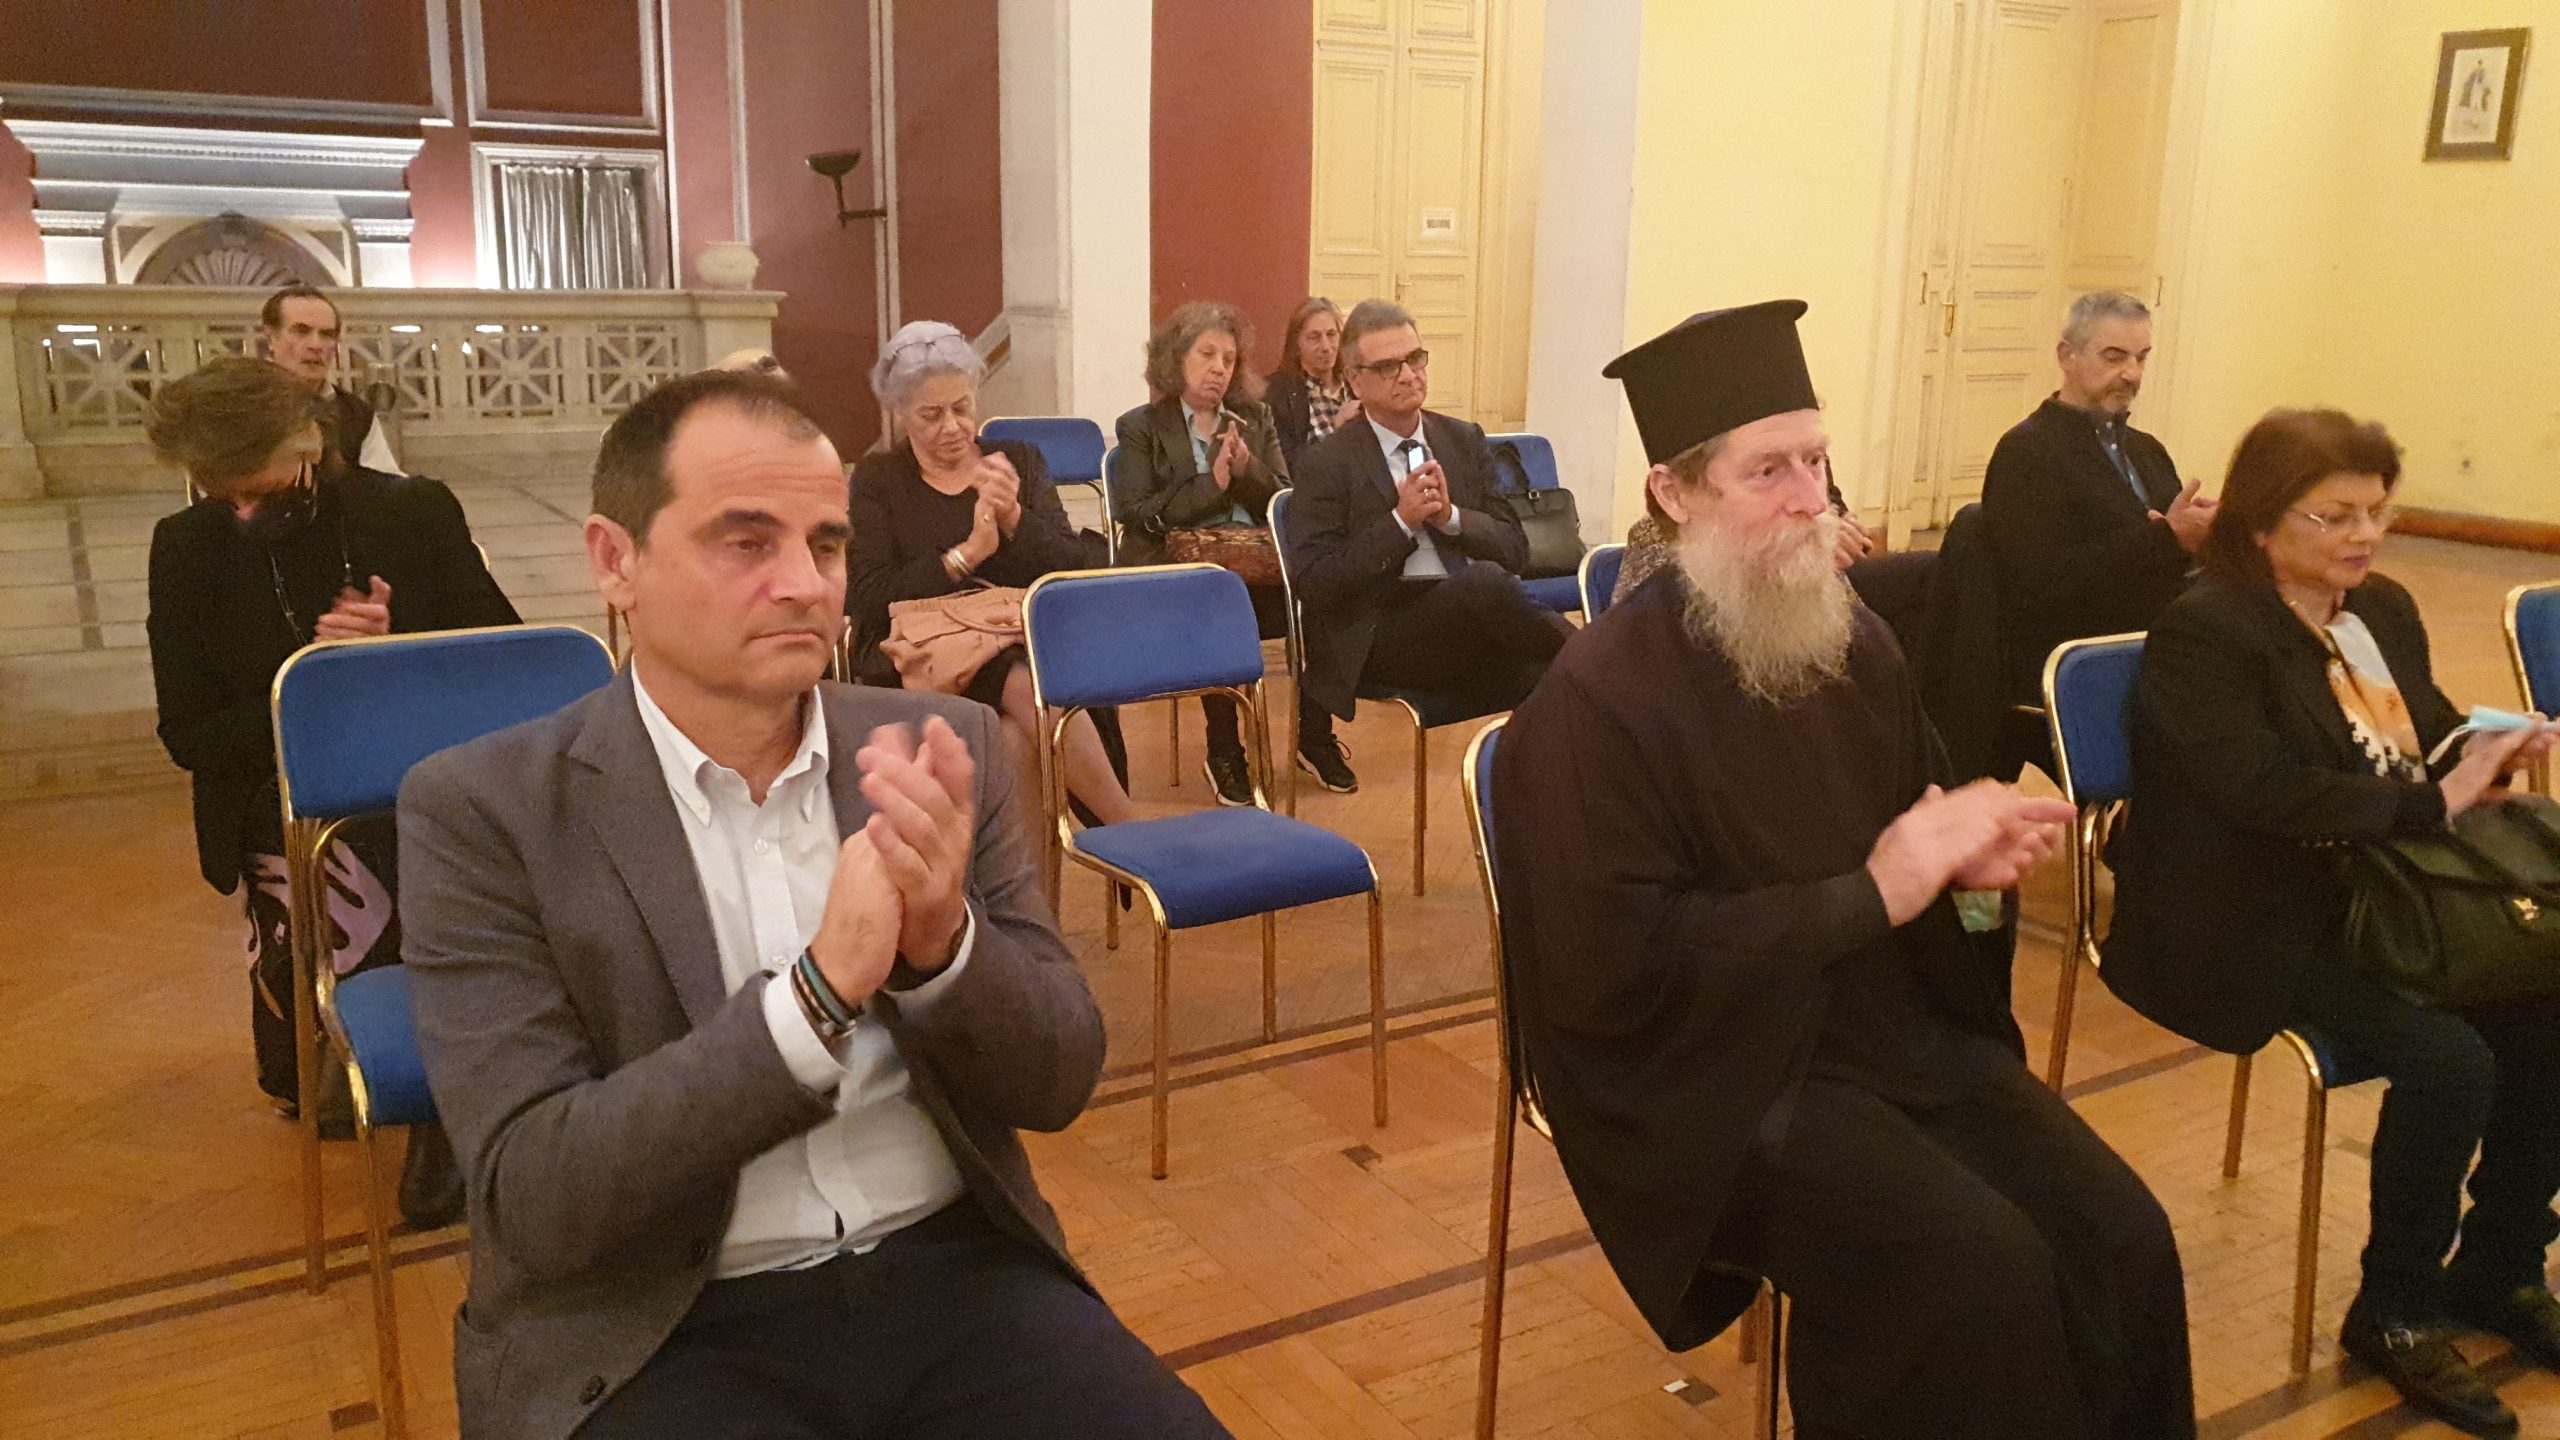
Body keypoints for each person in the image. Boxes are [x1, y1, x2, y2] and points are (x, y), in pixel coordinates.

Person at [398, 368, 1227, 1440]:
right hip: (662, 1323)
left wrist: (945, 948)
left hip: (954, 1274)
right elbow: (537, 1201)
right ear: (615, 562)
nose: (804, 585)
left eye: (826, 546)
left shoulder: (940, 748)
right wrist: (815, 1001)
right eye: (746, 542)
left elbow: (1059, 1077)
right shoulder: (486, 809)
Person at [1495, 300, 2193, 1440]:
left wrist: (1976, 888)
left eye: (1815, 462)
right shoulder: (1596, 704)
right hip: (1710, 1075)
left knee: (2123, 1236)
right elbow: (1608, 971)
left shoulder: (1855, 646)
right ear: (1675, 493)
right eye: (1766, 471)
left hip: (1890, 1031)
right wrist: (1871, 896)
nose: (1808, 499)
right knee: (1981, 1275)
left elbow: (1933, 884)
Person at [2103, 409, 2560, 1438]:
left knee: (2548, 991)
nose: (2364, 536)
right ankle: (2395, 1308)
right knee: (2451, 1061)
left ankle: (2500, 1266)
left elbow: (2422, 731)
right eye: (2335, 515)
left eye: (2376, 512)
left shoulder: (2378, 608)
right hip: (2244, 912)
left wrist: (2488, 747)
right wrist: (2430, 804)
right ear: (2262, 523)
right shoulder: (2207, 629)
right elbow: (2258, 790)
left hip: (2381, 887)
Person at [145, 355, 514, 1227]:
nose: (243, 512)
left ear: (311, 443)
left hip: (418, 785)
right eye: (223, 495)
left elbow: (500, 655)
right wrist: (311, 680)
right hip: (275, 792)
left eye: (262, 490)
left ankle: (437, 1104)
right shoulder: (187, 547)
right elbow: (189, 732)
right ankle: (350, 1055)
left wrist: (396, 643)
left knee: (407, 852)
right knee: (309, 1080)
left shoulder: (409, 512)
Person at [847, 321, 1136, 827]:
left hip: (1018, 637)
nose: (952, 427)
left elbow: (1070, 570)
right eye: (931, 415)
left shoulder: (1018, 461)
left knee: (1014, 737)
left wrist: (1014, 519)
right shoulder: (879, 479)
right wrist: (965, 557)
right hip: (919, 654)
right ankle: (1127, 827)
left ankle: (1031, 883)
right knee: (1022, 680)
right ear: (900, 412)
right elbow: (869, 598)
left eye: (962, 408)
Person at [1281, 299, 1566, 792]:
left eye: (1415, 359)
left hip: (1467, 620)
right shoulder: (1327, 462)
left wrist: (1451, 517)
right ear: (1355, 381)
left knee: (1550, 677)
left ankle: (1537, 806)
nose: (1408, 375)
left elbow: (1517, 550)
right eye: (1388, 367)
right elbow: (1317, 583)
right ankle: (1602, 663)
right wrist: (1400, 522)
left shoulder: (1461, 439)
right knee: (1486, 584)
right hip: (1382, 633)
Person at [1112, 302, 1329, 803]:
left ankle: (1313, 738)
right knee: (1219, 597)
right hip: (1175, 578)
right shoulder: (1141, 426)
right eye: (1206, 354)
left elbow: (1284, 501)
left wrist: (1248, 470)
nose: (1219, 368)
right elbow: (1137, 512)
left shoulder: (1254, 417)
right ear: (1176, 358)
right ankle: (1224, 750)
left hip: (1255, 567)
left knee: (1323, 589)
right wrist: (1213, 485)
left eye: (1229, 359)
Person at [260, 284, 403, 475]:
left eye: (327, 335)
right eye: (301, 331)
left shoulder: (357, 415)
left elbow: (387, 483)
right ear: (271, 339)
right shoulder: (239, 404)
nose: (316, 345)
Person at [1265, 296, 1354, 468]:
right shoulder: (1276, 394)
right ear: (1297, 344)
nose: (1326, 347)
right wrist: (1338, 431)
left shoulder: (1356, 385)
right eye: (1314, 337)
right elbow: (1287, 465)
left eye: (1331, 335)